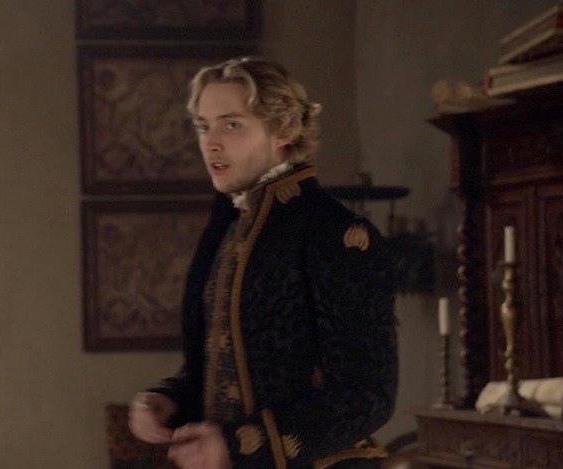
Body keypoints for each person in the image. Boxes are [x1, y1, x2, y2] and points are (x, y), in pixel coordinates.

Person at [128, 57, 398, 469]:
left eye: (232, 125)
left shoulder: (336, 233)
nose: (211, 143)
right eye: (203, 126)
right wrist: (169, 400)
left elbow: (367, 396)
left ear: (285, 130)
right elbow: (221, 372)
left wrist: (238, 447)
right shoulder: (228, 228)